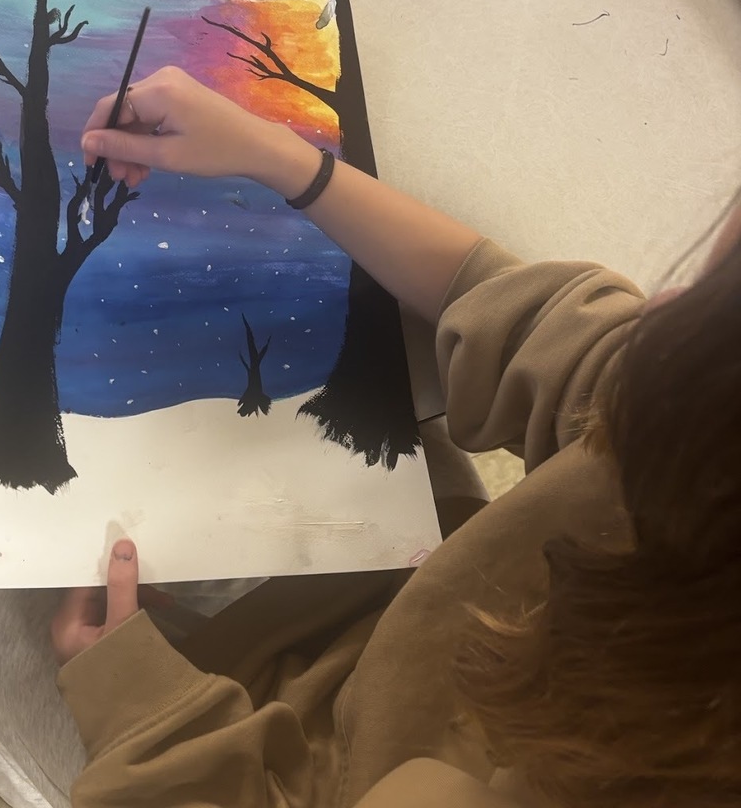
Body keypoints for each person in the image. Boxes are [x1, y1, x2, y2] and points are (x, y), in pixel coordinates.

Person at [45, 67, 741, 808]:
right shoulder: (706, 421)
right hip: (407, 585)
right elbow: (527, 316)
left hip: (278, 730)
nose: (661, 305)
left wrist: (138, 708)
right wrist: (279, 156)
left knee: (27, 587)